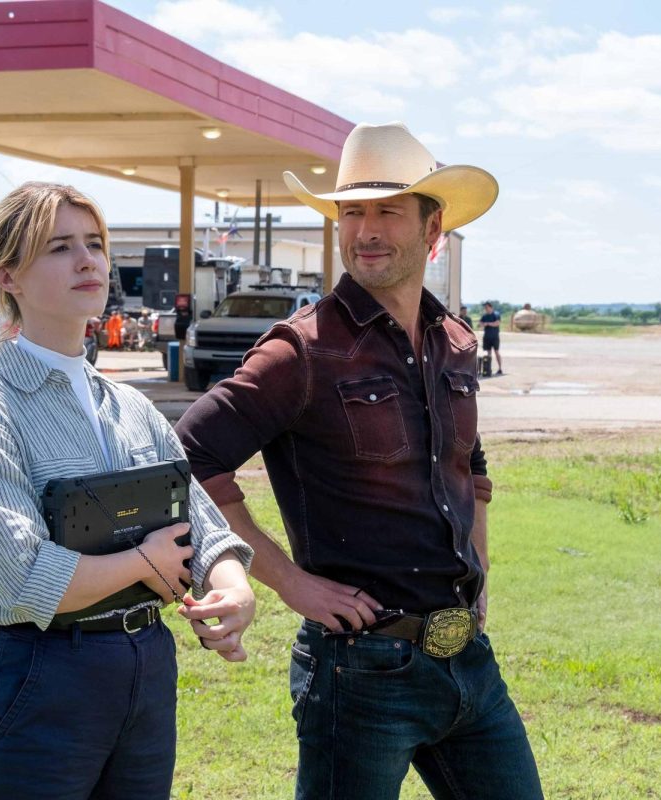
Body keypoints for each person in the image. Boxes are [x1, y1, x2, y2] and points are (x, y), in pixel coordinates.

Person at [176, 122, 542, 800]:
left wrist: (480, 567)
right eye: (353, 212)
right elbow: (188, 460)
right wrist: (289, 582)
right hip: (359, 669)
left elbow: (470, 463)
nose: (366, 230)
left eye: (387, 211)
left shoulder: (455, 341)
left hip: (465, 657)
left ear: (433, 231)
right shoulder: (301, 351)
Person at [0, 182, 255, 800]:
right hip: (39, 674)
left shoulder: (134, 407)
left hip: (145, 667)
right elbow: (24, 578)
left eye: (94, 244)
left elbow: (206, 531)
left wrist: (233, 589)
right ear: (9, 277)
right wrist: (143, 563)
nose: (88, 260)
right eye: (60, 247)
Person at [479, 301, 502, 376]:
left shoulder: (496, 314)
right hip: (487, 337)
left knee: (496, 352)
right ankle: (489, 369)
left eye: (486, 307)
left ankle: (500, 368)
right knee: (488, 354)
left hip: (494, 337)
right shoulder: (484, 316)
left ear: (490, 307)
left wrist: (488, 324)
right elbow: (480, 324)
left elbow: (497, 323)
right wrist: (483, 324)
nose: (485, 308)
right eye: (485, 307)